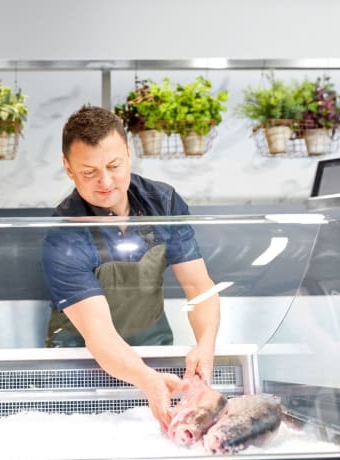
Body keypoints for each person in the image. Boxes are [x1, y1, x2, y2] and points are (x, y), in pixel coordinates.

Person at [41, 105, 220, 431]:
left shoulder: (163, 203)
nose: (106, 182)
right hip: (80, 371)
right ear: (68, 169)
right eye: (89, 172)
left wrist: (205, 344)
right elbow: (99, 336)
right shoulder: (64, 234)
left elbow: (198, 287)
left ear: (129, 154)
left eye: (114, 166)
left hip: (154, 354)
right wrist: (146, 379)